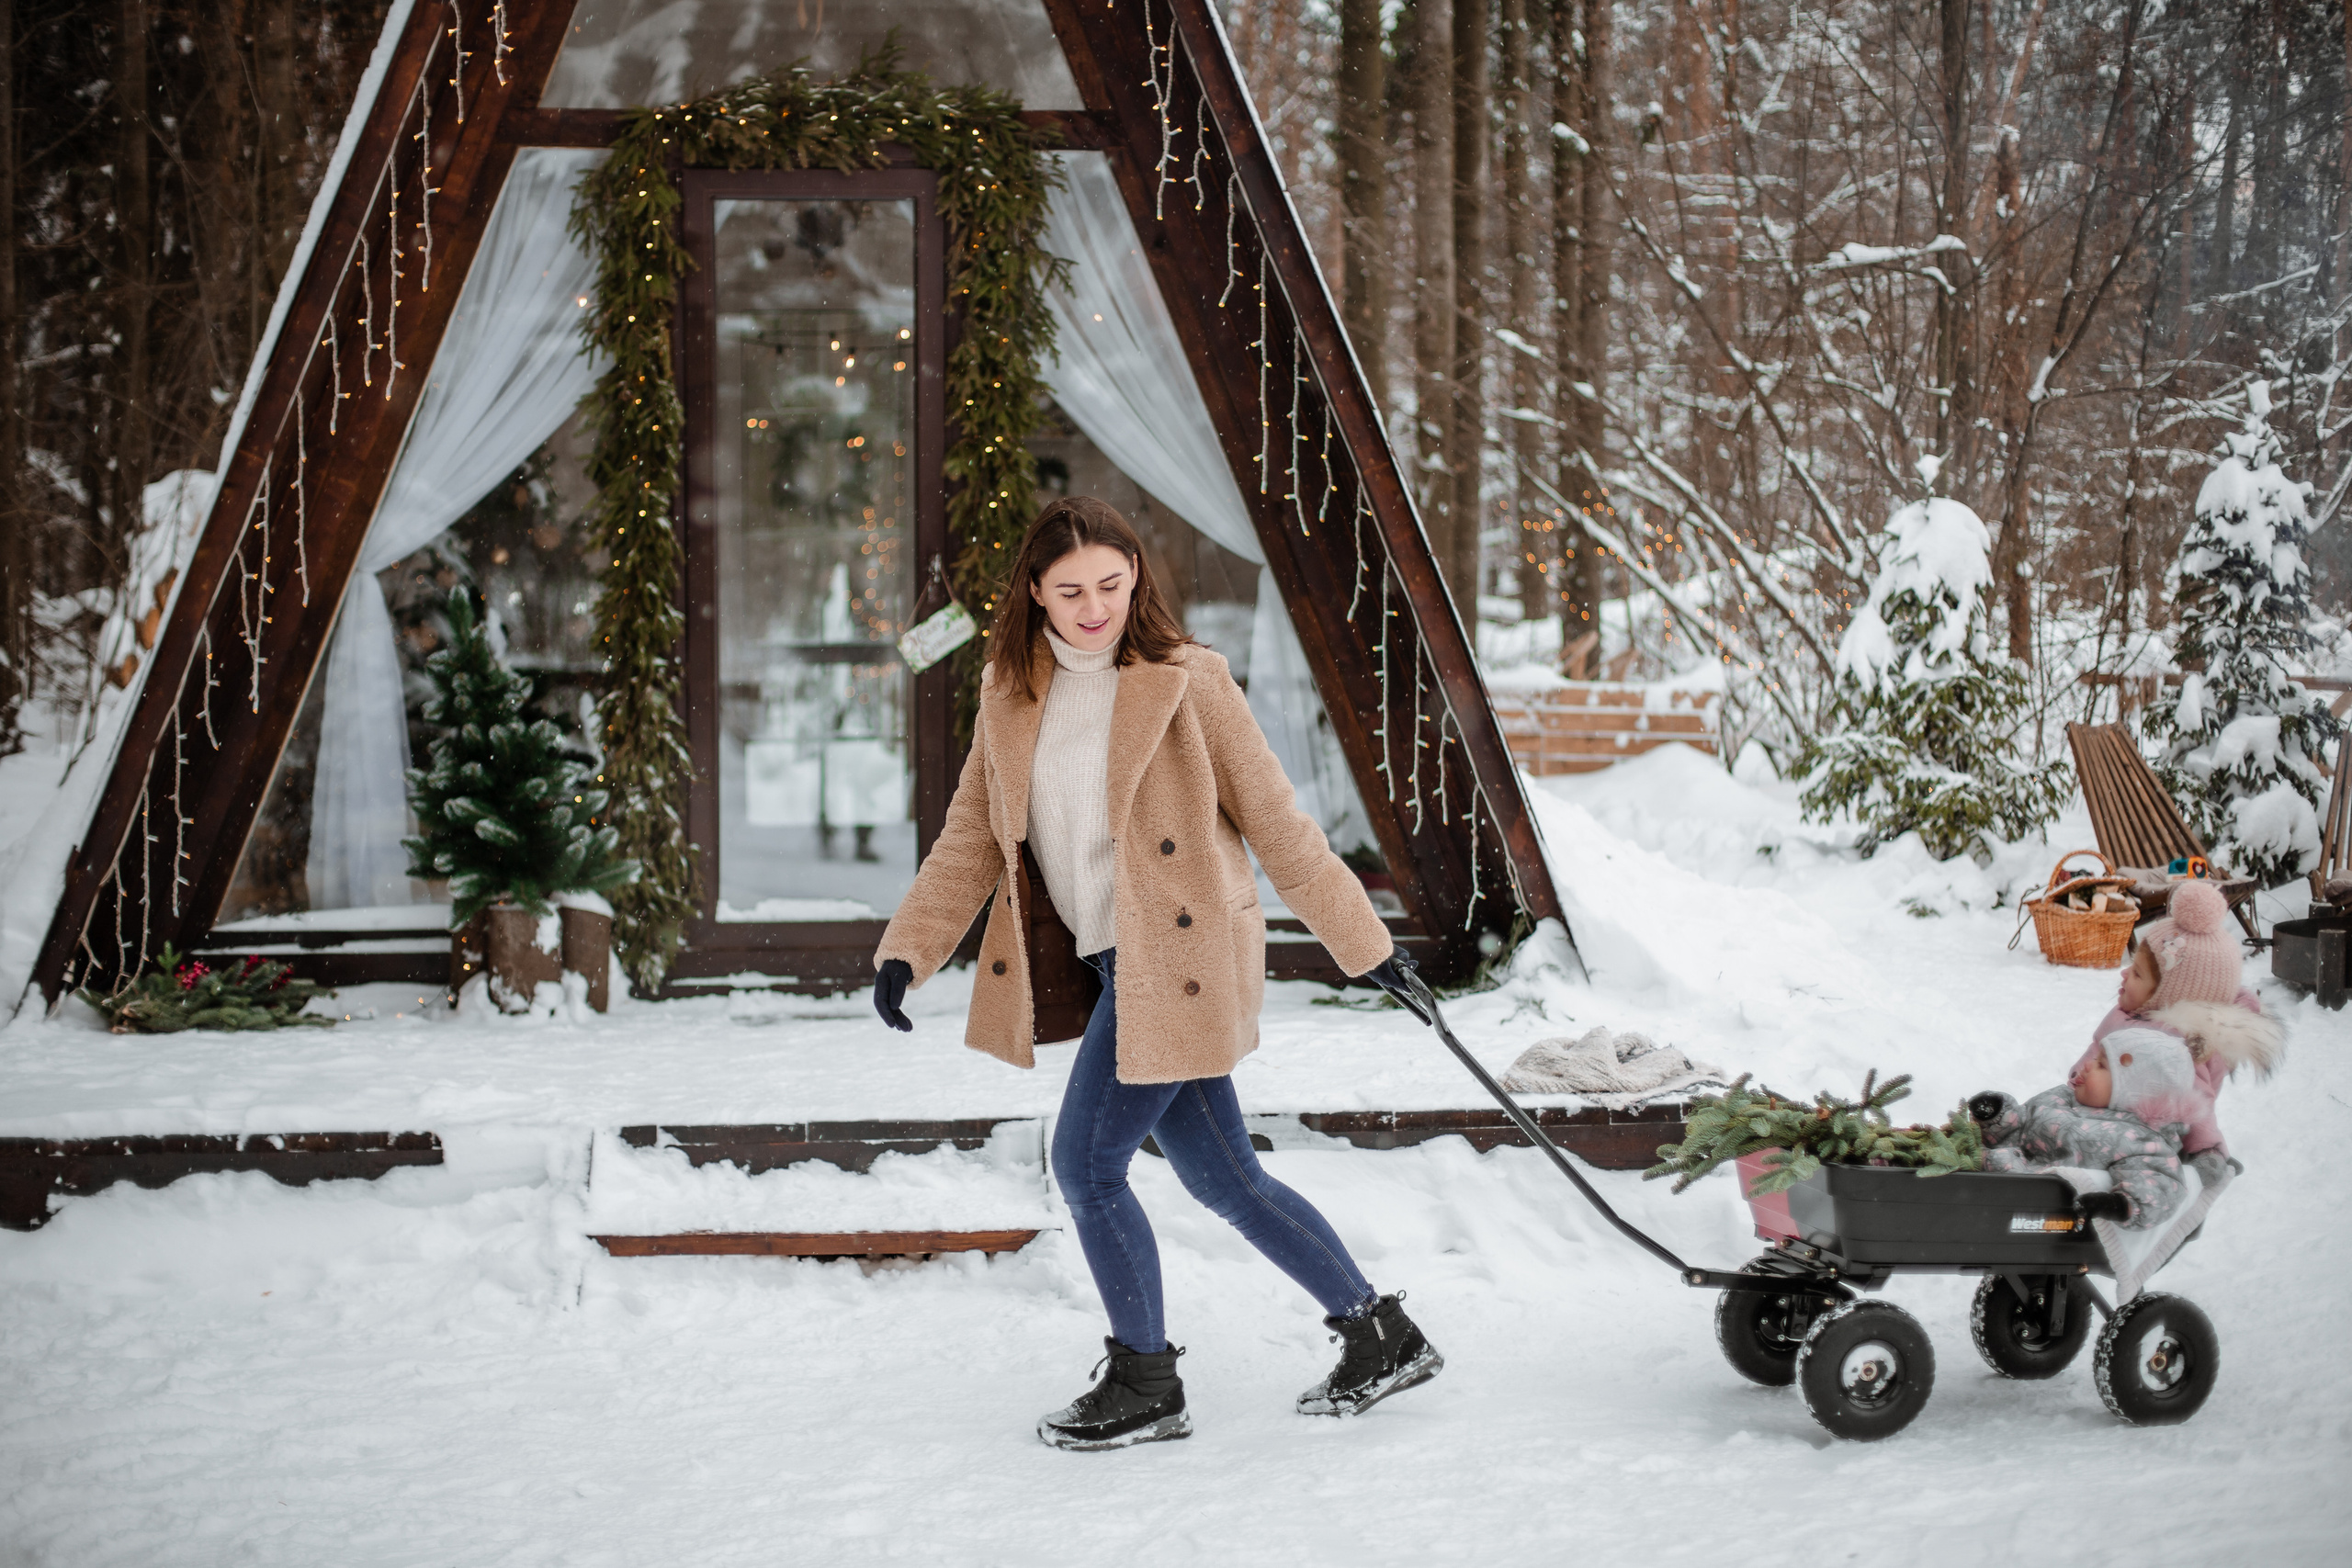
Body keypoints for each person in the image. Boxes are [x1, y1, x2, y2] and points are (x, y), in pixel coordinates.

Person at [869, 496, 1441, 1450]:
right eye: (1071, 591)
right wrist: (907, 949)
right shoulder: (1011, 695)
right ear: (1035, 596)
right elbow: (971, 836)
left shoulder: (1189, 681)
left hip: (1174, 959)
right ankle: (1379, 1333)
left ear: (1135, 579)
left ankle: (1146, 1381)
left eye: (1111, 584)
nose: (1095, 608)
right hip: (1103, 962)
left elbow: (1278, 823)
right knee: (1227, 1180)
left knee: (1086, 1166)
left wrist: (1365, 945)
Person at [2071, 879, 2282, 1168]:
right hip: (2094, 1128)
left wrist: (2207, 1153)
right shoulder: (2125, 1016)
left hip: (2146, 1153)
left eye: (2138, 974)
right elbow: (2097, 1050)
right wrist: (2078, 1080)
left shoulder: (2177, 1051)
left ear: (2169, 997)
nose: (2124, 974)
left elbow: (2195, 1107)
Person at [1968, 1030, 2200, 1230]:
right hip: (1990, 1175)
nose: (2088, 1065)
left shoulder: (2138, 1138)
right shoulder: (2062, 1098)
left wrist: (2119, 1205)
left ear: (2133, 1092)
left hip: (2033, 1209)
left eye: (2101, 1066)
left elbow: (2160, 1184)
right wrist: (1996, 1117)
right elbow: (2018, 1126)